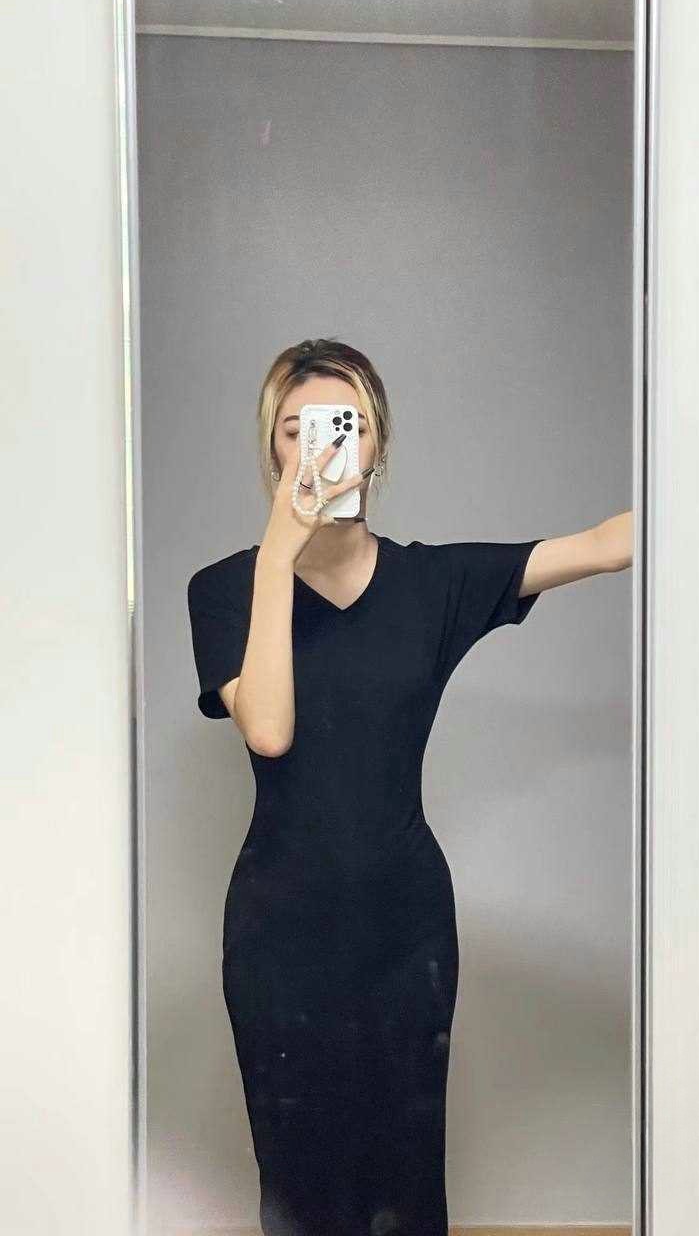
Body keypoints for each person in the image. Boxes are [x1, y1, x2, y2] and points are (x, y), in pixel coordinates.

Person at [187, 337, 633, 1236]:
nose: (318, 449)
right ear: (271, 449)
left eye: (343, 426)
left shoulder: (434, 582)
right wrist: (277, 556)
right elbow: (270, 729)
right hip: (280, 931)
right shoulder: (226, 588)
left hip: (406, 928)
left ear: (378, 444)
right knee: (300, 1186)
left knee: (405, 1182)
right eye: (295, 429)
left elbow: (601, 545)